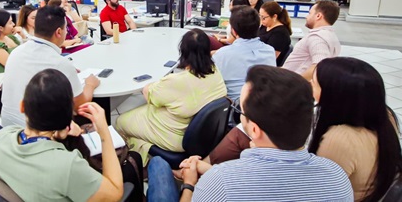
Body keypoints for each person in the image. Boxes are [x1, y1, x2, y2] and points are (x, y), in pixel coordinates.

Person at [147, 66, 354, 202]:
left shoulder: (220, 183)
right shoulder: (336, 176)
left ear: (254, 129)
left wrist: (190, 184)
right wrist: (206, 169)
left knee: (158, 165)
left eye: (240, 111)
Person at [0, 69, 124, 201]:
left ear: (22, 107)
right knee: (131, 164)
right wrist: (104, 133)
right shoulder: (67, 166)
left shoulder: (1, 137)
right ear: (69, 118)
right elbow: (115, 193)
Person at [115, 29, 227, 163]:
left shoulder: (177, 81)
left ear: (183, 52)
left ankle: (130, 163)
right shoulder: (215, 71)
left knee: (120, 121)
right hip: (202, 135)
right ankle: (142, 155)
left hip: (175, 137)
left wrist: (154, 83)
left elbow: (148, 93)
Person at [309, 57, 402, 202]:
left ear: (333, 94)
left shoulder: (339, 139)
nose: (310, 85)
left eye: (314, 83)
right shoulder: (385, 116)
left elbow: (321, 191)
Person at [1, 6, 100, 127]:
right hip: (35, 134)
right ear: (59, 32)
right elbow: (80, 106)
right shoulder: (60, 64)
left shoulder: (17, 52)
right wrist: (90, 84)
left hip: (7, 127)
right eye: (65, 29)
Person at [212, 5, 276, 100]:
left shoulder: (222, 54)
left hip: (233, 108)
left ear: (233, 31)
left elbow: (212, 84)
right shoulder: (270, 51)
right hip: (264, 105)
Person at [283, 0, 341, 81]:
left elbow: (319, 66)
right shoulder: (330, 35)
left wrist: (296, 83)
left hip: (292, 84)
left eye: (310, 13)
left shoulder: (317, 38)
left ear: (318, 16)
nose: (306, 16)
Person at [258, 1, 292, 66]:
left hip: (267, 66)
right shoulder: (265, 26)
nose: (261, 20)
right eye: (260, 16)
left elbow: (271, 58)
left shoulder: (280, 33)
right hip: (259, 57)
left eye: (264, 18)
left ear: (274, 17)